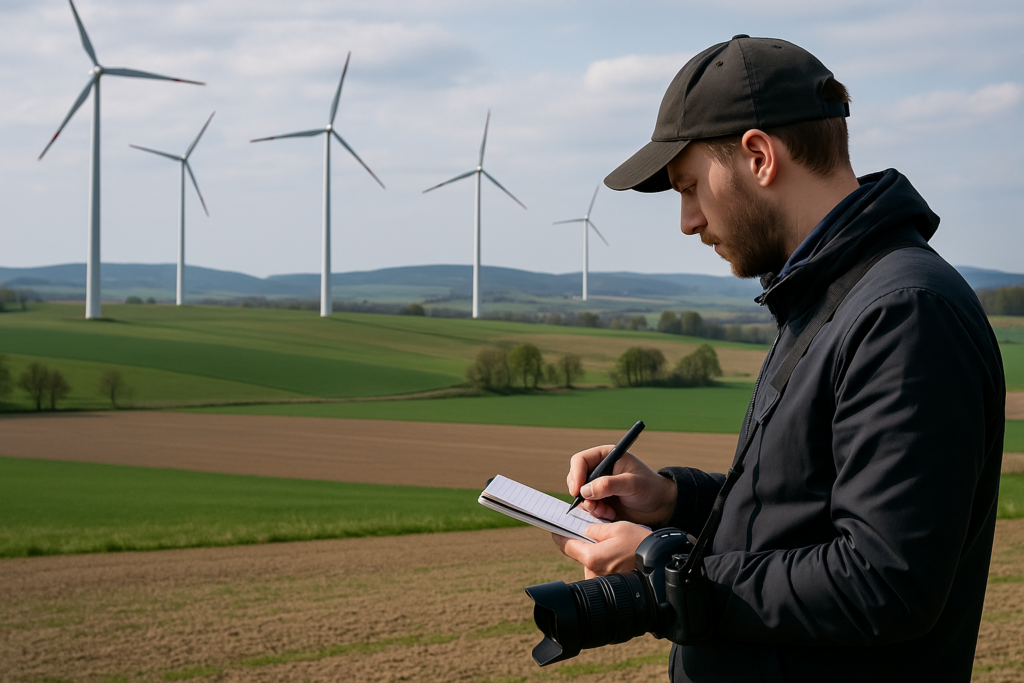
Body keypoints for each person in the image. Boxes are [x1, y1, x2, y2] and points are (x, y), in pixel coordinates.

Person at [553, 35, 1005, 682]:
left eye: (689, 186)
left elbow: (885, 580)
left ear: (759, 156)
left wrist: (665, 571)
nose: (687, 220)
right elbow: (803, 512)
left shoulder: (903, 312)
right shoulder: (828, 295)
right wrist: (671, 501)